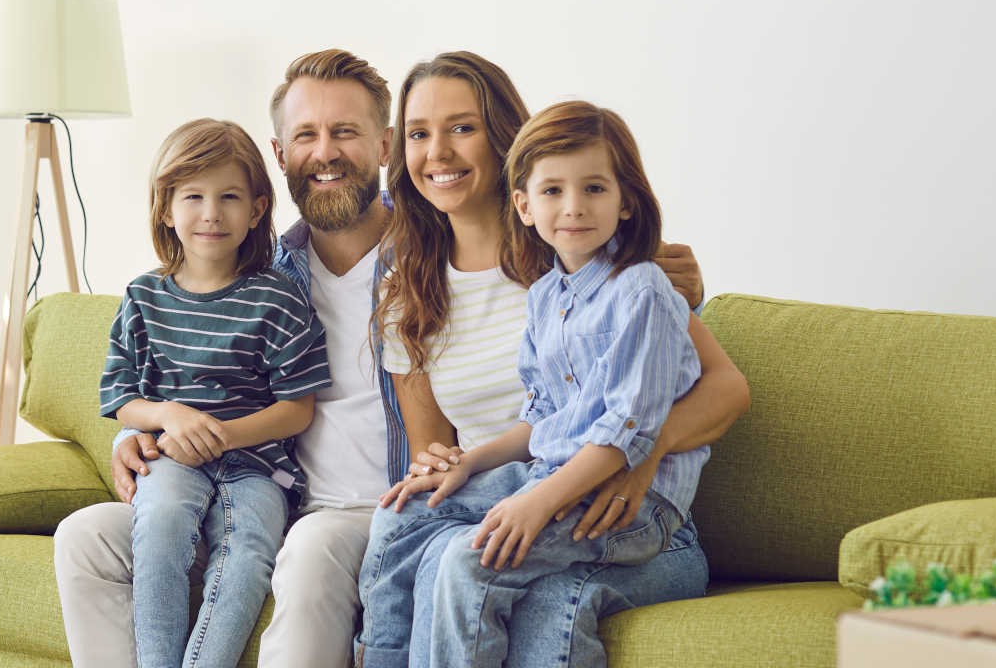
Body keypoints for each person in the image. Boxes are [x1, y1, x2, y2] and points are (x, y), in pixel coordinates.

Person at [56, 50, 743, 668]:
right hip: (278, 492)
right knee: (86, 536)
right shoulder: (288, 275)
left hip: (485, 505)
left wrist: (634, 454)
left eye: (346, 132)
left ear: (381, 145)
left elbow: (699, 382)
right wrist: (140, 429)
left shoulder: (570, 256)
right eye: (307, 135)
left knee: (339, 551)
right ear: (281, 154)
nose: (327, 153)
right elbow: (205, 369)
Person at [355, 53, 745, 668]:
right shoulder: (421, 290)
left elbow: (719, 389)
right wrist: (451, 464)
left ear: (504, 138)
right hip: (527, 478)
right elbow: (478, 435)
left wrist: (642, 455)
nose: (438, 152)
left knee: (476, 567)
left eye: (463, 127)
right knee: (406, 523)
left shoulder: (595, 259)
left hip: (611, 496)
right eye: (418, 133)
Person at [103, 118, 332, 668]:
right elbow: (121, 397)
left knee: (249, 552)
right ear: (165, 208)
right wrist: (169, 415)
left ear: (256, 210)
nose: (211, 213)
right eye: (194, 197)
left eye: (229, 197)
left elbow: (297, 408)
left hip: (258, 468)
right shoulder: (143, 297)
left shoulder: (277, 298)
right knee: (159, 528)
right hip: (171, 458)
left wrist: (222, 435)